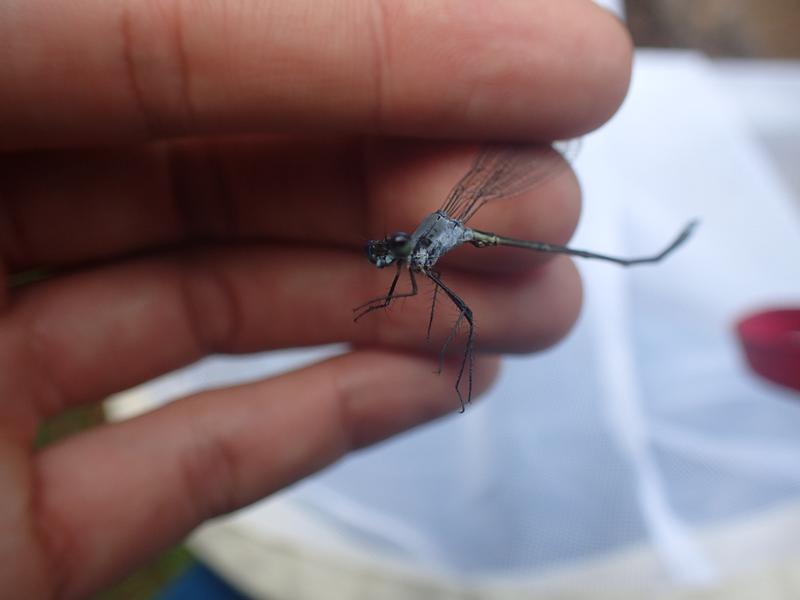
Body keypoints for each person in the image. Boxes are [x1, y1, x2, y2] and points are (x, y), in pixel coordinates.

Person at [0, 0, 632, 597]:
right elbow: (410, 283)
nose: (388, 258)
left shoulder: (431, 238)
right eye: (390, 253)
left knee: (463, 315)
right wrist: (392, 298)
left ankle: (479, 365)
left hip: (492, 221)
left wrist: (434, 335)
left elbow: (438, 300)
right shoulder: (412, 250)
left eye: (390, 254)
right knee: (455, 309)